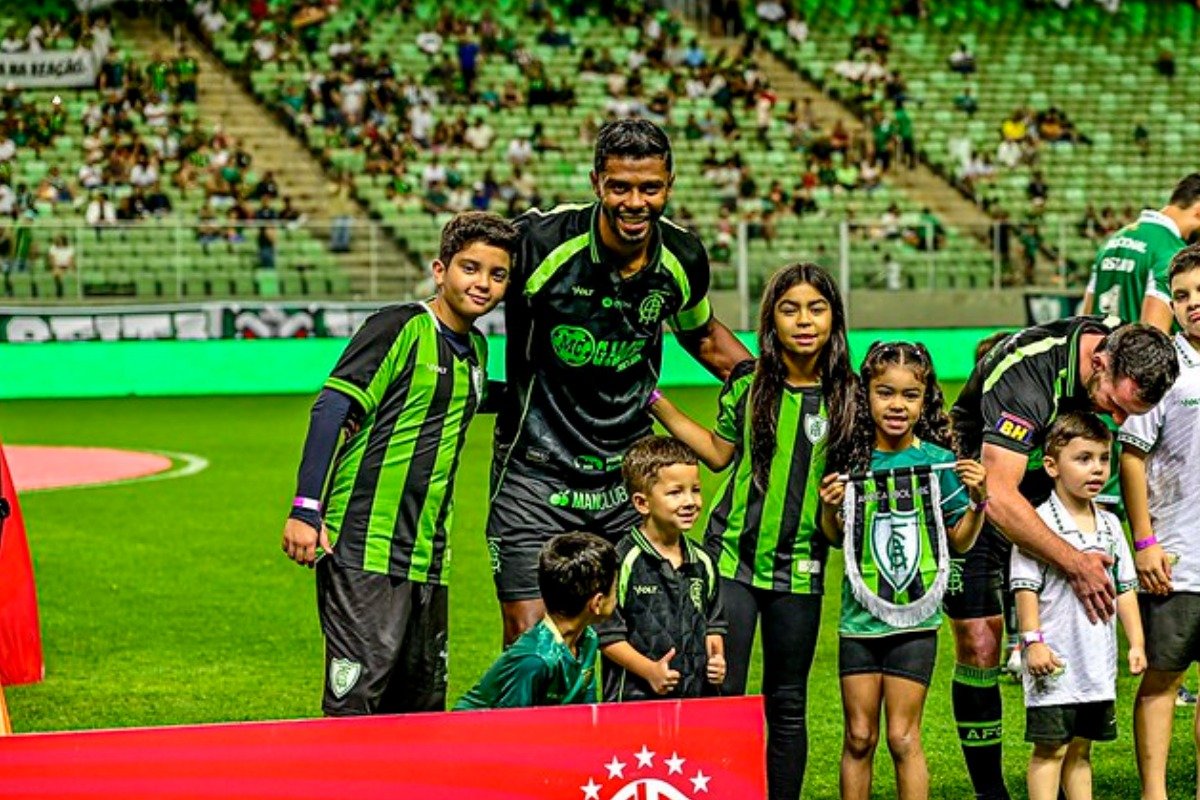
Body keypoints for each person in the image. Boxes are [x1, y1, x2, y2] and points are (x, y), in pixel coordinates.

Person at [487, 118, 749, 646]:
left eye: (650, 188)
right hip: (534, 471)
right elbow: (466, 294)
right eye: (620, 187)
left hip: (624, 480)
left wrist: (777, 388)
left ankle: (617, 733)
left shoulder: (683, 258)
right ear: (596, 183)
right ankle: (532, 732)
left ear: (668, 185)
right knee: (531, 636)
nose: (635, 202)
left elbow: (702, 338)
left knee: (630, 637)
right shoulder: (538, 243)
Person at [280, 212, 517, 716]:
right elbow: (333, 408)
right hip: (365, 543)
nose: (483, 284)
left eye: (497, 275)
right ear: (439, 270)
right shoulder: (399, 326)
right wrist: (306, 508)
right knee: (358, 705)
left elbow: (470, 399)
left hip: (428, 553)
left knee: (422, 706)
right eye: (470, 268)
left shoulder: (476, 349)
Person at [649, 263, 856, 800]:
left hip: (801, 571)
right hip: (729, 566)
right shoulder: (748, 382)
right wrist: (656, 402)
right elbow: (718, 455)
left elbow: (835, 528)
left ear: (834, 318)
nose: (804, 321)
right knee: (722, 690)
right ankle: (718, 792)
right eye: (790, 309)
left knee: (787, 703)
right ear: (771, 319)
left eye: (816, 308)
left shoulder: (850, 396)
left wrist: (834, 511)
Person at [946, 318, 1177, 800]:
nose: (1114, 421)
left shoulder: (1123, 348)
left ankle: (1072, 763)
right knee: (981, 642)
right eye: (1114, 405)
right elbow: (1002, 498)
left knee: (1073, 628)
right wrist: (1074, 560)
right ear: (1100, 363)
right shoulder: (1027, 375)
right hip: (977, 490)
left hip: (1049, 494)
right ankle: (991, 791)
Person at [819, 342, 988, 800]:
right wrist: (828, 508)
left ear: (924, 398)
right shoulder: (849, 461)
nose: (896, 405)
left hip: (916, 620)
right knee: (858, 737)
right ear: (866, 396)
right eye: (885, 393)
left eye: (909, 395)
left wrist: (977, 502)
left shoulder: (938, 462)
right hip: (859, 622)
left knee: (902, 737)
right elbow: (835, 538)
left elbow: (959, 541)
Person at [1012, 413, 1144, 800]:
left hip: (1095, 664)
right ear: (1051, 466)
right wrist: (1032, 642)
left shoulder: (1110, 524)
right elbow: (1025, 589)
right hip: (1054, 663)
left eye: (1104, 458)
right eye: (1083, 458)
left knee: (1082, 749)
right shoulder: (1036, 525)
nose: (1097, 469)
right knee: (1051, 749)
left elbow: (1125, 589)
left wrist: (1135, 642)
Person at [1121, 245, 1200, 800]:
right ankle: (1155, 793)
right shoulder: (1165, 368)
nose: (1193, 304)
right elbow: (1131, 455)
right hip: (1178, 555)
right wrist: (1144, 542)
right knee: (1162, 680)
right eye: (1182, 295)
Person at [596, 435, 726, 702]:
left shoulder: (703, 562)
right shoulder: (622, 561)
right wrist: (650, 671)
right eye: (675, 492)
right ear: (642, 503)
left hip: (693, 703)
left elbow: (714, 625)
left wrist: (717, 659)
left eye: (696, 489)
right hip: (633, 705)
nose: (690, 501)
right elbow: (607, 636)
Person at [455, 532, 617, 709]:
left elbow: (587, 712)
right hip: (477, 733)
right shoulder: (536, 659)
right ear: (597, 602)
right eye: (615, 589)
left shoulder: (587, 640)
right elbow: (510, 727)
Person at [1082, 173, 1200, 333]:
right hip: (1136, 356)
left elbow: (1085, 319)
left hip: (1100, 353)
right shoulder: (1171, 252)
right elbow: (1154, 336)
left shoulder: (1113, 241)